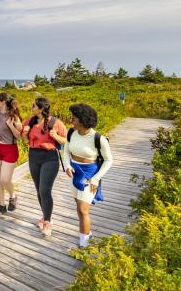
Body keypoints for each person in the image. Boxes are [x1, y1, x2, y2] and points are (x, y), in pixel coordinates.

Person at [62, 103, 113, 248]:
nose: (71, 121)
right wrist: (67, 165)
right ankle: (87, 233)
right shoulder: (71, 133)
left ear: (83, 120)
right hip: (75, 172)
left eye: (74, 118)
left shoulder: (99, 138)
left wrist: (96, 179)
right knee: (78, 207)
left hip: (90, 174)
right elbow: (66, 151)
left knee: (83, 209)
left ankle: (84, 244)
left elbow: (109, 160)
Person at [22, 97, 67, 237]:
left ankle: (47, 222)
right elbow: (25, 140)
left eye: (34, 104)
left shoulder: (56, 123)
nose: (31, 106)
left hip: (50, 157)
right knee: (39, 190)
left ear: (41, 108)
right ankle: (45, 216)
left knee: (44, 190)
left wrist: (56, 136)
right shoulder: (30, 121)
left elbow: (66, 141)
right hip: (33, 156)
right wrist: (24, 133)